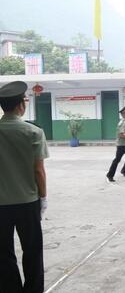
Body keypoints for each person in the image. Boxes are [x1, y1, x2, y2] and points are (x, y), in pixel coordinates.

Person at [0, 81, 49, 293]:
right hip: (28, 203)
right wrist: (43, 198)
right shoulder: (33, 132)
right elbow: (39, 170)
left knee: (3, 253)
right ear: (21, 105)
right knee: (32, 250)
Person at [106, 106, 125, 182]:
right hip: (121, 145)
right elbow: (121, 135)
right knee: (117, 160)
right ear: (122, 114)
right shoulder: (121, 123)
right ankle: (110, 175)